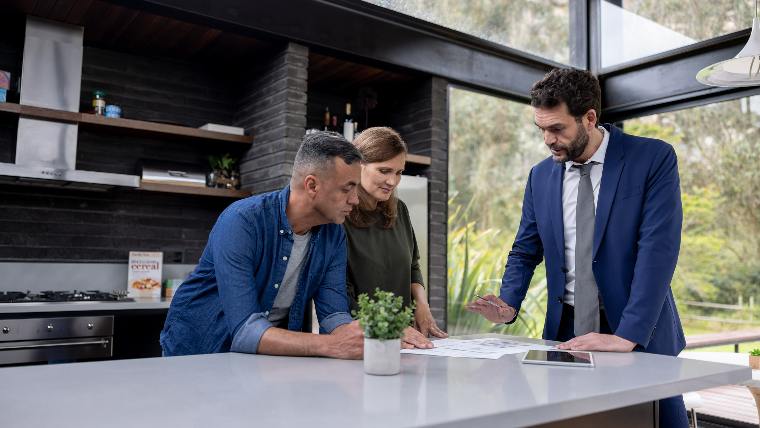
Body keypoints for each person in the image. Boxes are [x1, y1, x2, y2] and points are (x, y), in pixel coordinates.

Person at [466, 68, 688, 427]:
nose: (548, 140)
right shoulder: (540, 175)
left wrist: (627, 335)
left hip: (638, 330)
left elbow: (658, 249)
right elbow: (525, 249)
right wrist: (508, 304)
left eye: (557, 129)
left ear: (589, 118)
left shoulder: (653, 158)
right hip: (567, 335)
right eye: (541, 130)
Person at [160, 131, 364, 359]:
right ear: (312, 185)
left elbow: (334, 315)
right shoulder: (242, 220)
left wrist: (371, 337)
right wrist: (330, 345)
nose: (355, 199)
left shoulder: (334, 234)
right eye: (347, 188)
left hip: (260, 357)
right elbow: (246, 330)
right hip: (199, 351)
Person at [344, 127, 447, 349]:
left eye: (399, 172)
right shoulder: (340, 216)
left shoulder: (400, 210)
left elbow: (412, 265)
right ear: (358, 166)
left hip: (405, 339)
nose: (392, 181)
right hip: (363, 340)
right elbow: (340, 293)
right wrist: (387, 326)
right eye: (384, 171)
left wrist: (422, 304)